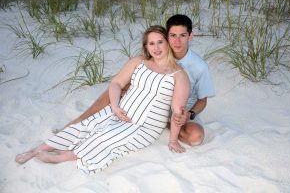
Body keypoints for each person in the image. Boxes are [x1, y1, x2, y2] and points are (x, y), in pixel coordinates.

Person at [15, 25, 190, 174]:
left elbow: (177, 111)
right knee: (85, 126)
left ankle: (61, 158)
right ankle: (36, 150)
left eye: (160, 42)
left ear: (167, 43)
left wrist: (173, 140)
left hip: (144, 126)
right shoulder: (139, 62)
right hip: (119, 111)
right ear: (146, 46)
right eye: (151, 43)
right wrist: (114, 106)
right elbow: (116, 83)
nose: (156, 47)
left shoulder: (178, 74)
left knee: (107, 136)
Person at [58, 14, 215, 147]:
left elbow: (202, 100)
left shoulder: (199, 66)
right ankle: (77, 123)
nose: (177, 41)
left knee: (196, 138)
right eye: (172, 36)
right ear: (166, 36)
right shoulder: (159, 50)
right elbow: (139, 74)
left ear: (190, 36)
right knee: (117, 87)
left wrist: (190, 113)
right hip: (147, 103)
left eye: (183, 36)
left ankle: (163, 124)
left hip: (179, 111)